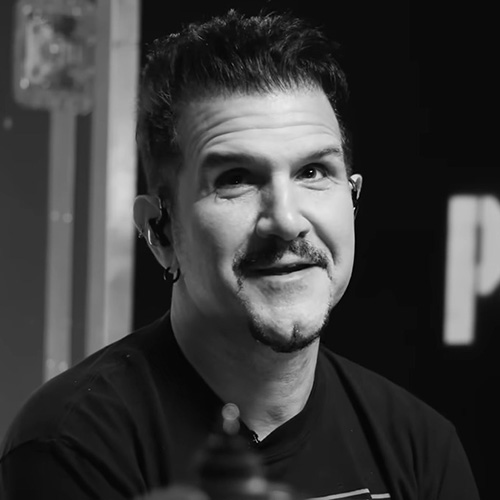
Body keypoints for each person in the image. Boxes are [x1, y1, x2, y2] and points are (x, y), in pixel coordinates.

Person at [0, 9, 480, 500]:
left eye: (313, 172)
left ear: (353, 199)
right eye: (235, 179)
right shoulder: (72, 448)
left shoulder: (421, 449)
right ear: (160, 232)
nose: (286, 220)